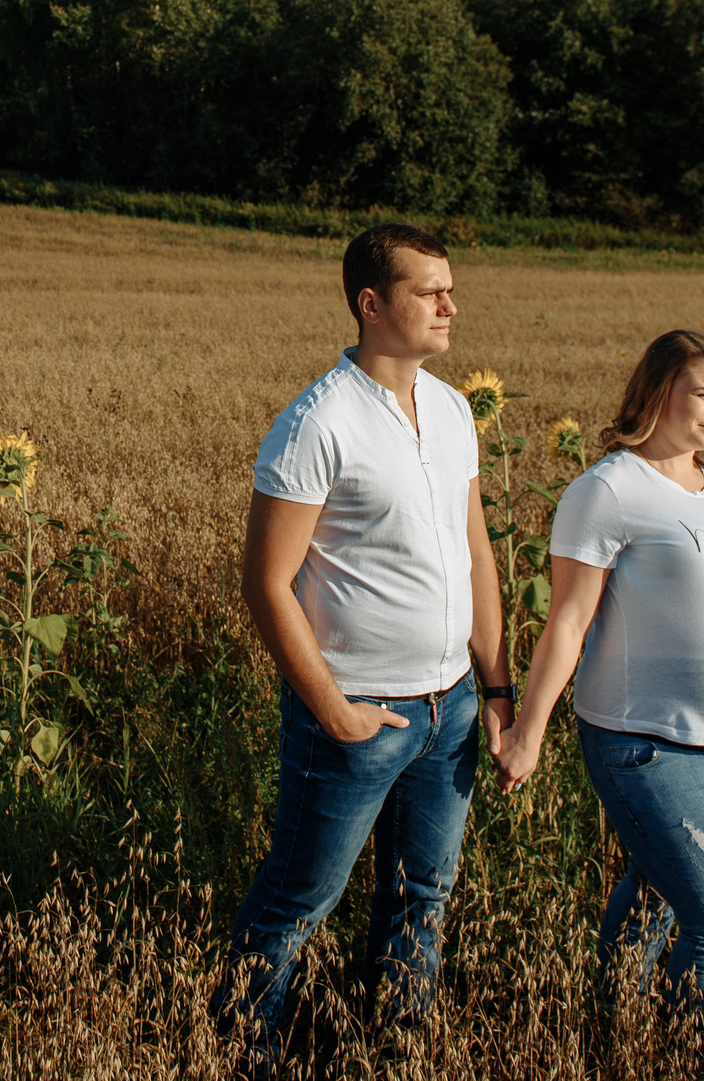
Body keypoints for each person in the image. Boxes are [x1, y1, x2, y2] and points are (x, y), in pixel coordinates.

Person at [215, 222, 519, 1064]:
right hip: (356, 708)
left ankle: (397, 1044)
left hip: (452, 706)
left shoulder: (454, 408)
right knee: (300, 896)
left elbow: (477, 554)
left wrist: (496, 690)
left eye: (450, 287)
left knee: (424, 892)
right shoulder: (317, 423)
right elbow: (266, 584)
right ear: (372, 303)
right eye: (431, 291)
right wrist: (334, 711)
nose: (451, 305)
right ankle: (245, 1050)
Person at [496, 328, 704, 1045]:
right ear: (661, 391)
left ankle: (614, 1034)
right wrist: (529, 733)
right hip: (648, 741)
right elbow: (567, 620)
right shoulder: (608, 489)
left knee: (658, 895)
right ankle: (703, 1056)